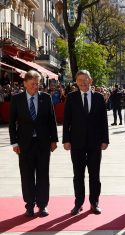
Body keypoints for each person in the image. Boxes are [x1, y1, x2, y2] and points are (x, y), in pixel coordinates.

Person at [9, 70, 58, 217]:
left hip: (43, 143)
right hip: (24, 144)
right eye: (33, 84)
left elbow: (52, 120)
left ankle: (42, 205)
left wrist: (54, 140)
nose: (36, 87)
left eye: (38, 84)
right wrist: (14, 143)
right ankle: (29, 205)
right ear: (25, 83)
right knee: (27, 175)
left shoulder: (46, 98)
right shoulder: (16, 99)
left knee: (43, 175)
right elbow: (12, 123)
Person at [63, 70, 109, 215]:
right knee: (78, 175)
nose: (83, 82)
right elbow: (66, 121)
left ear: (91, 80)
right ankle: (78, 203)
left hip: (95, 143)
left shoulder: (99, 97)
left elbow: (104, 120)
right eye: (80, 79)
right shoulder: (71, 98)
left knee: (95, 174)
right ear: (76, 81)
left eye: (85, 79)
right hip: (76, 143)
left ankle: (94, 202)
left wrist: (105, 139)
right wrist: (66, 140)